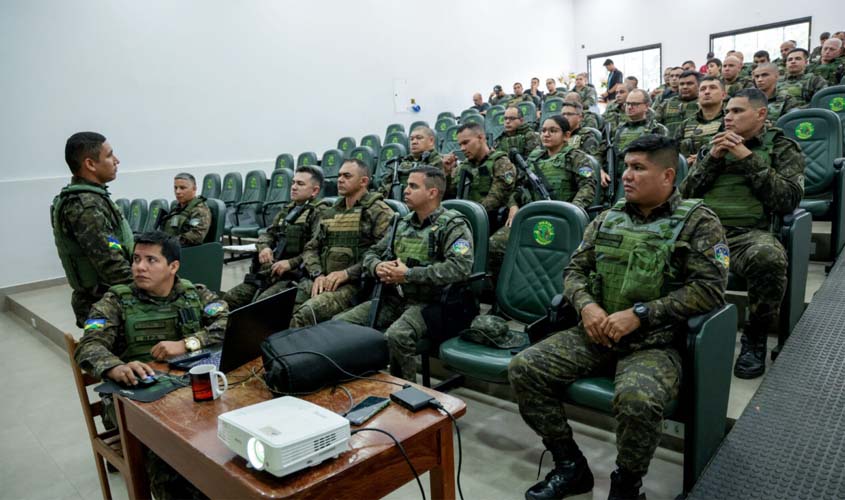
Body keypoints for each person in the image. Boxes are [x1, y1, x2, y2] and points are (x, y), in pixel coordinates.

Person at [509, 134, 728, 500]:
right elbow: (574, 271)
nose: (626, 175)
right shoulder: (607, 218)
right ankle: (570, 465)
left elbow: (709, 290)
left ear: (667, 176)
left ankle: (627, 485)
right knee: (524, 368)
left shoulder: (699, 223)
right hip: (595, 333)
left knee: (638, 400)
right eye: (626, 167)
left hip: (654, 343)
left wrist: (642, 314)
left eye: (638, 168)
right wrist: (587, 307)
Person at [75, 231, 228, 500]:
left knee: (227, 446)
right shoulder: (116, 301)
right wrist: (115, 367)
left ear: (173, 266)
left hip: (185, 394)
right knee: (171, 465)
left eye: (150, 260)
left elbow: (227, 322)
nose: (139, 267)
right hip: (134, 403)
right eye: (136, 259)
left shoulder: (194, 293)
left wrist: (187, 343)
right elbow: (88, 345)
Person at [681, 88, 804, 379]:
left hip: (747, 236)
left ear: (761, 114)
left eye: (737, 111)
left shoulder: (782, 147)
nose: (728, 117)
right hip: (704, 233)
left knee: (768, 258)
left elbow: (787, 199)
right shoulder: (712, 146)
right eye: (727, 111)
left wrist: (746, 157)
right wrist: (712, 158)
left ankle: (755, 339)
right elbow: (684, 195)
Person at [335, 166, 473, 381]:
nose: (406, 190)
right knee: (339, 324)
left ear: (432, 193)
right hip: (394, 298)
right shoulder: (401, 223)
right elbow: (372, 253)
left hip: (430, 303)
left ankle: (406, 392)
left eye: (413, 186)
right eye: (407, 185)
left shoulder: (454, 226)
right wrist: (377, 266)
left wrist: (409, 274)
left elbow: (460, 268)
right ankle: (359, 382)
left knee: (397, 336)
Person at [488, 115, 597, 280]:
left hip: (562, 221)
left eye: (553, 131)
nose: (546, 134)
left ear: (566, 135)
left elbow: (588, 187)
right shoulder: (533, 158)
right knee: (495, 245)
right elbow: (517, 188)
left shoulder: (576, 157)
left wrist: (572, 211)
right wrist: (513, 206)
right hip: (531, 219)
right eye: (544, 130)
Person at [289, 159, 393, 328]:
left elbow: (382, 255)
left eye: (347, 176)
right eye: (339, 176)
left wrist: (346, 273)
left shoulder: (379, 212)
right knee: (281, 305)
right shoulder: (331, 211)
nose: (340, 180)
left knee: (307, 313)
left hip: (356, 285)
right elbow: (311, 248)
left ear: (363, 181)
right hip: (323, 279)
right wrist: (317, 274)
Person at [52, 132, 134, 328]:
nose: (117, 161)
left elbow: (112, 244)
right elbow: (110, 263)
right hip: (104, 306)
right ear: (90, 164)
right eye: (109, 155)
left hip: (108, 299)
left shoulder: (92, 199)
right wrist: (147, 290)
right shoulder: (86, 207)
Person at [223, 166, 324, 310]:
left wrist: (291, 263)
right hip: (273, 271)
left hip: (297, 274)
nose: (294, 187)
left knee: (261, 305)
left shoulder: (319, 212)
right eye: (293, 183)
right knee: (231, 298)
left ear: (314, 191)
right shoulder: (288, 210)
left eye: (300, 184)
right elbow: (268, 233)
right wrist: (265, 247)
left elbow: (316, 249)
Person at [443, 122, 517, 220]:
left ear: (481, 138)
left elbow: (496, 198)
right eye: (460, 145)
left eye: (466, 143)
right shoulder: (463, 167)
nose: (462, 148)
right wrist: (447, 173)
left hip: (491, 220)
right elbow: (449, 195)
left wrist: (468, 215)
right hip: (467, 218)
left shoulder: (500, 162)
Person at [612, 90, 669, 194]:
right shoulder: (618, 130)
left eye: (635, 104)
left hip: (644, 182)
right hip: (615, 179)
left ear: (646, 106)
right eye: (627, 104)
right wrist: (601, 171)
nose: (629, 107)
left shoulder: (657, 129)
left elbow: (661, 161)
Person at [378, 126, 443, 199]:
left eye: (419, 138)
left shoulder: (439, 161)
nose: (414, 142)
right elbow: (384, 188)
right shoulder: (400, 162)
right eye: (411, 139)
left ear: (431, 141)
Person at [676, 76, 726, 166]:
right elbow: (674, 152)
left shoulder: (730, 121)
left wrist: (703, 158)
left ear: (723, 95)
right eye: (702, 89)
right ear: (698, 95)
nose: (707, 92)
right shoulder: (685, 124)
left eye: (713, 88)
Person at [158, 173, 211, 246]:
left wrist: (169, 242)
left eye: (182, 188)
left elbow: (197, 235)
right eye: (175, 188)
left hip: (185, 250)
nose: (177, 192)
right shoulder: (177, 209)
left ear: (194, 189)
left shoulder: (199, 210)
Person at [655, 70, 701, 137]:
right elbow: (655, 125)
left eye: (689, 84)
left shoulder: (704, 104)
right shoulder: (666, 104)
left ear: (699, 86)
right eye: (682, 84)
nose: (685, 87)